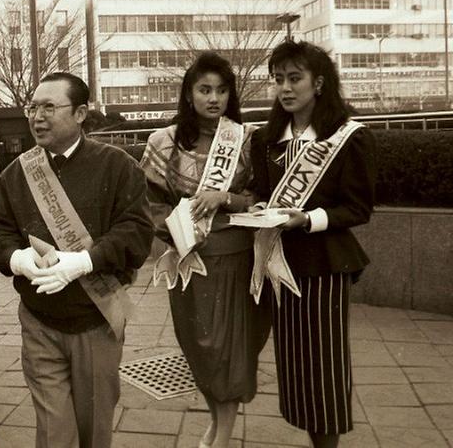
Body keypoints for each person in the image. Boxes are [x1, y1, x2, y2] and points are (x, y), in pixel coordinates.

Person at [0, 72, 154, 448]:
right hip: (39, 319)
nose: (37, 117)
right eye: (33, 107)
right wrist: (17, 258)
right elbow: (0, 232)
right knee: (53, 427)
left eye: (50, 107)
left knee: (94, 425)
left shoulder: (117, 165)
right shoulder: (16, 173)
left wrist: (83, 261)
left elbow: (136, 233)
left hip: (96, 318)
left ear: (81, 113)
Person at [140, 53, 271, 448]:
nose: (214, 98)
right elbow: (148, 204)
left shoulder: (247, 140)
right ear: (189, 94)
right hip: (186, 259)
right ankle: (216, 422)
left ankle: (223, 437)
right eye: (204, 89)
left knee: (227, 349)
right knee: (197, 346)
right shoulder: (163, 142)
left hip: (234, 258)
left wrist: (225, 197)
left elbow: (264, 200)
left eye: (222, 90)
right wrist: (174, 233)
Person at [249, 41, 376, 448]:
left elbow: (357, 208)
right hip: (279, 264)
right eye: (278, 79)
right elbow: (262, 194)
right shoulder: (268, 139)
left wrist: (308, 219)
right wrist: (256, 208)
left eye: (294, 78)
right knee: (296, 366)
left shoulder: (348, 137)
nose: (285, 88)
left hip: (324, 265)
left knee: (325, 365)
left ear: (318, 83)